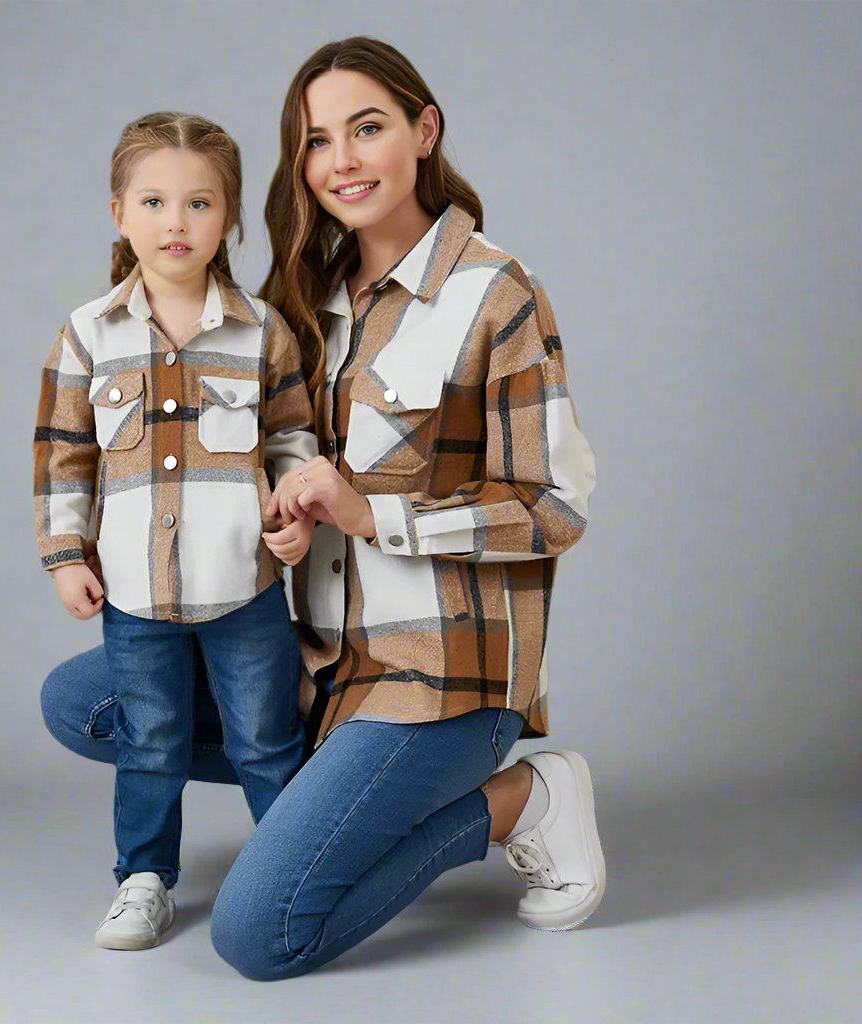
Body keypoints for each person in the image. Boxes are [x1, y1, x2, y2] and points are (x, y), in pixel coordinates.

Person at [41, 37, 604, 978]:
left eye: (369, 128)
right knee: (84, 701)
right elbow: (265, 462)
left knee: (261, 934)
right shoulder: (300, 300)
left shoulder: (493, 294)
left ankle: (522, 799)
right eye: (315, 140)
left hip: (441, 676)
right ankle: (326, 810)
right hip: (325, 665)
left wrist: (371, 512)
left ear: (425, 132)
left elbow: (554, 506)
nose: (340, 160)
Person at [32, 111, 317, 951]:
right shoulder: (89, 335)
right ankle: (145, 877)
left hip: (245, 590)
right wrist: (62, 557)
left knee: (267, 739)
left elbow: (294, 440)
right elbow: (63, 456)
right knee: (150, 741)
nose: (175, 222)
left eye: (198, 204)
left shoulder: (263, 332)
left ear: (227, 218)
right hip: (135, 593)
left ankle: (287, 869)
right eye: (154, 201)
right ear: (119, 213)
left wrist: (290, 517)